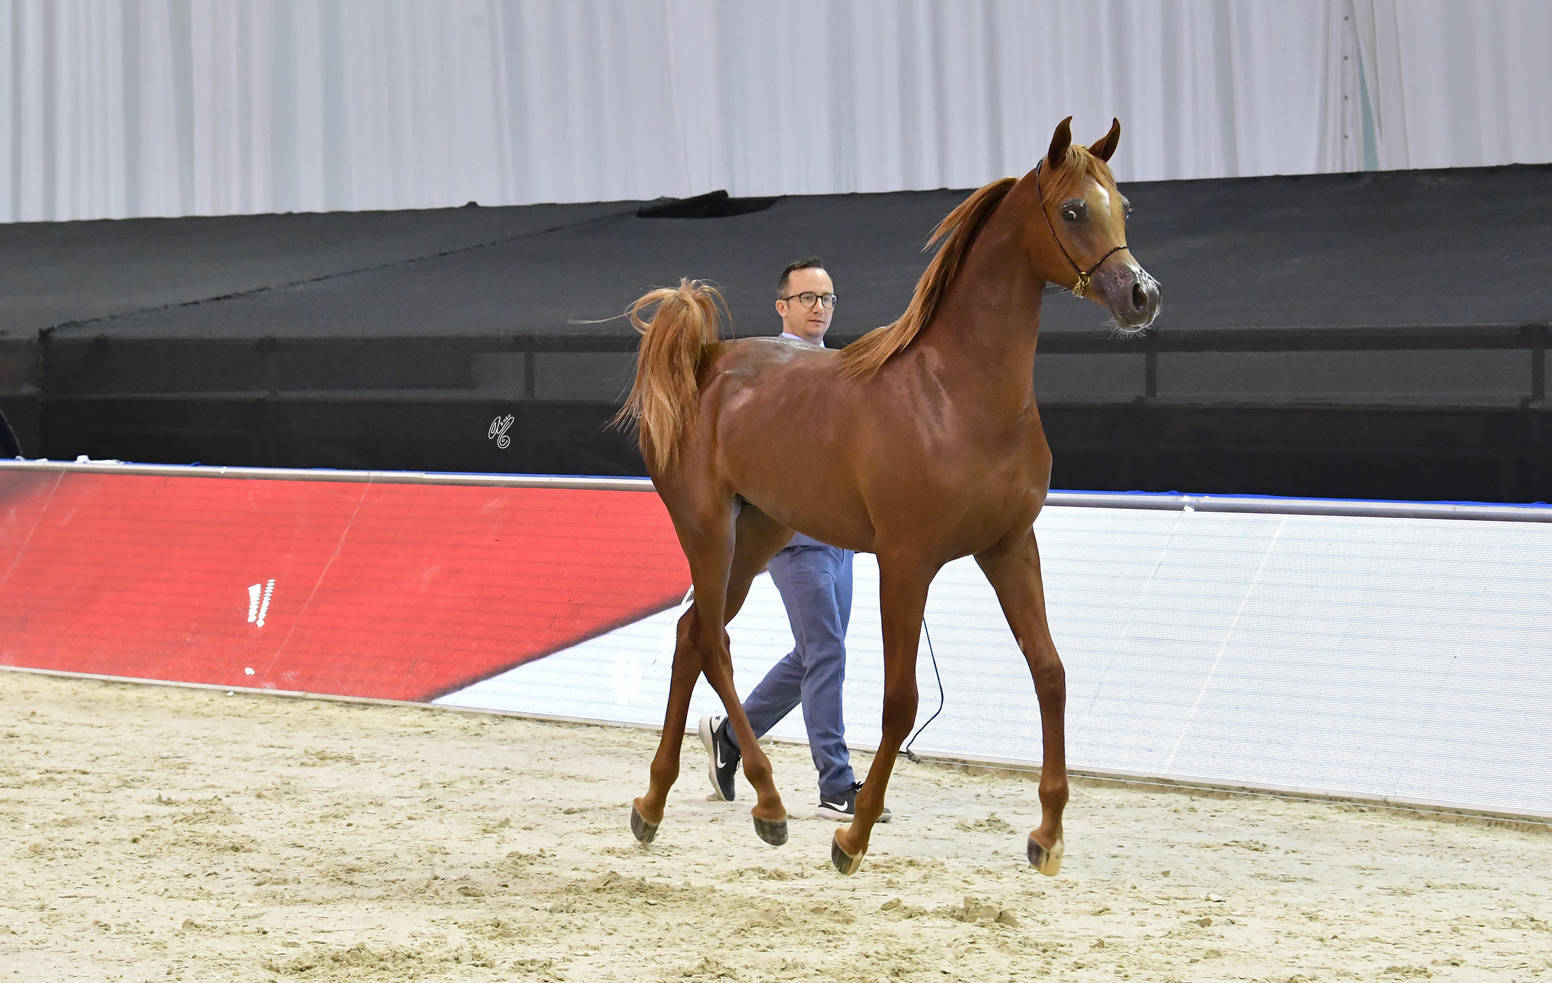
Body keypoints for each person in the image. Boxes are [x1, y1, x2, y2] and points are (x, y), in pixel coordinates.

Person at [698, 256, 890, 823]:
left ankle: (732, 733)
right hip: (793, 536)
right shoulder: (769, 368)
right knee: (826, 651)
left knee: (813, 654)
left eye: (826, 298)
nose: (819, 308)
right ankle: (835, 782)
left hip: (842, 538)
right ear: (782, 306)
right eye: (807, 298)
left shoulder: (843, 366)